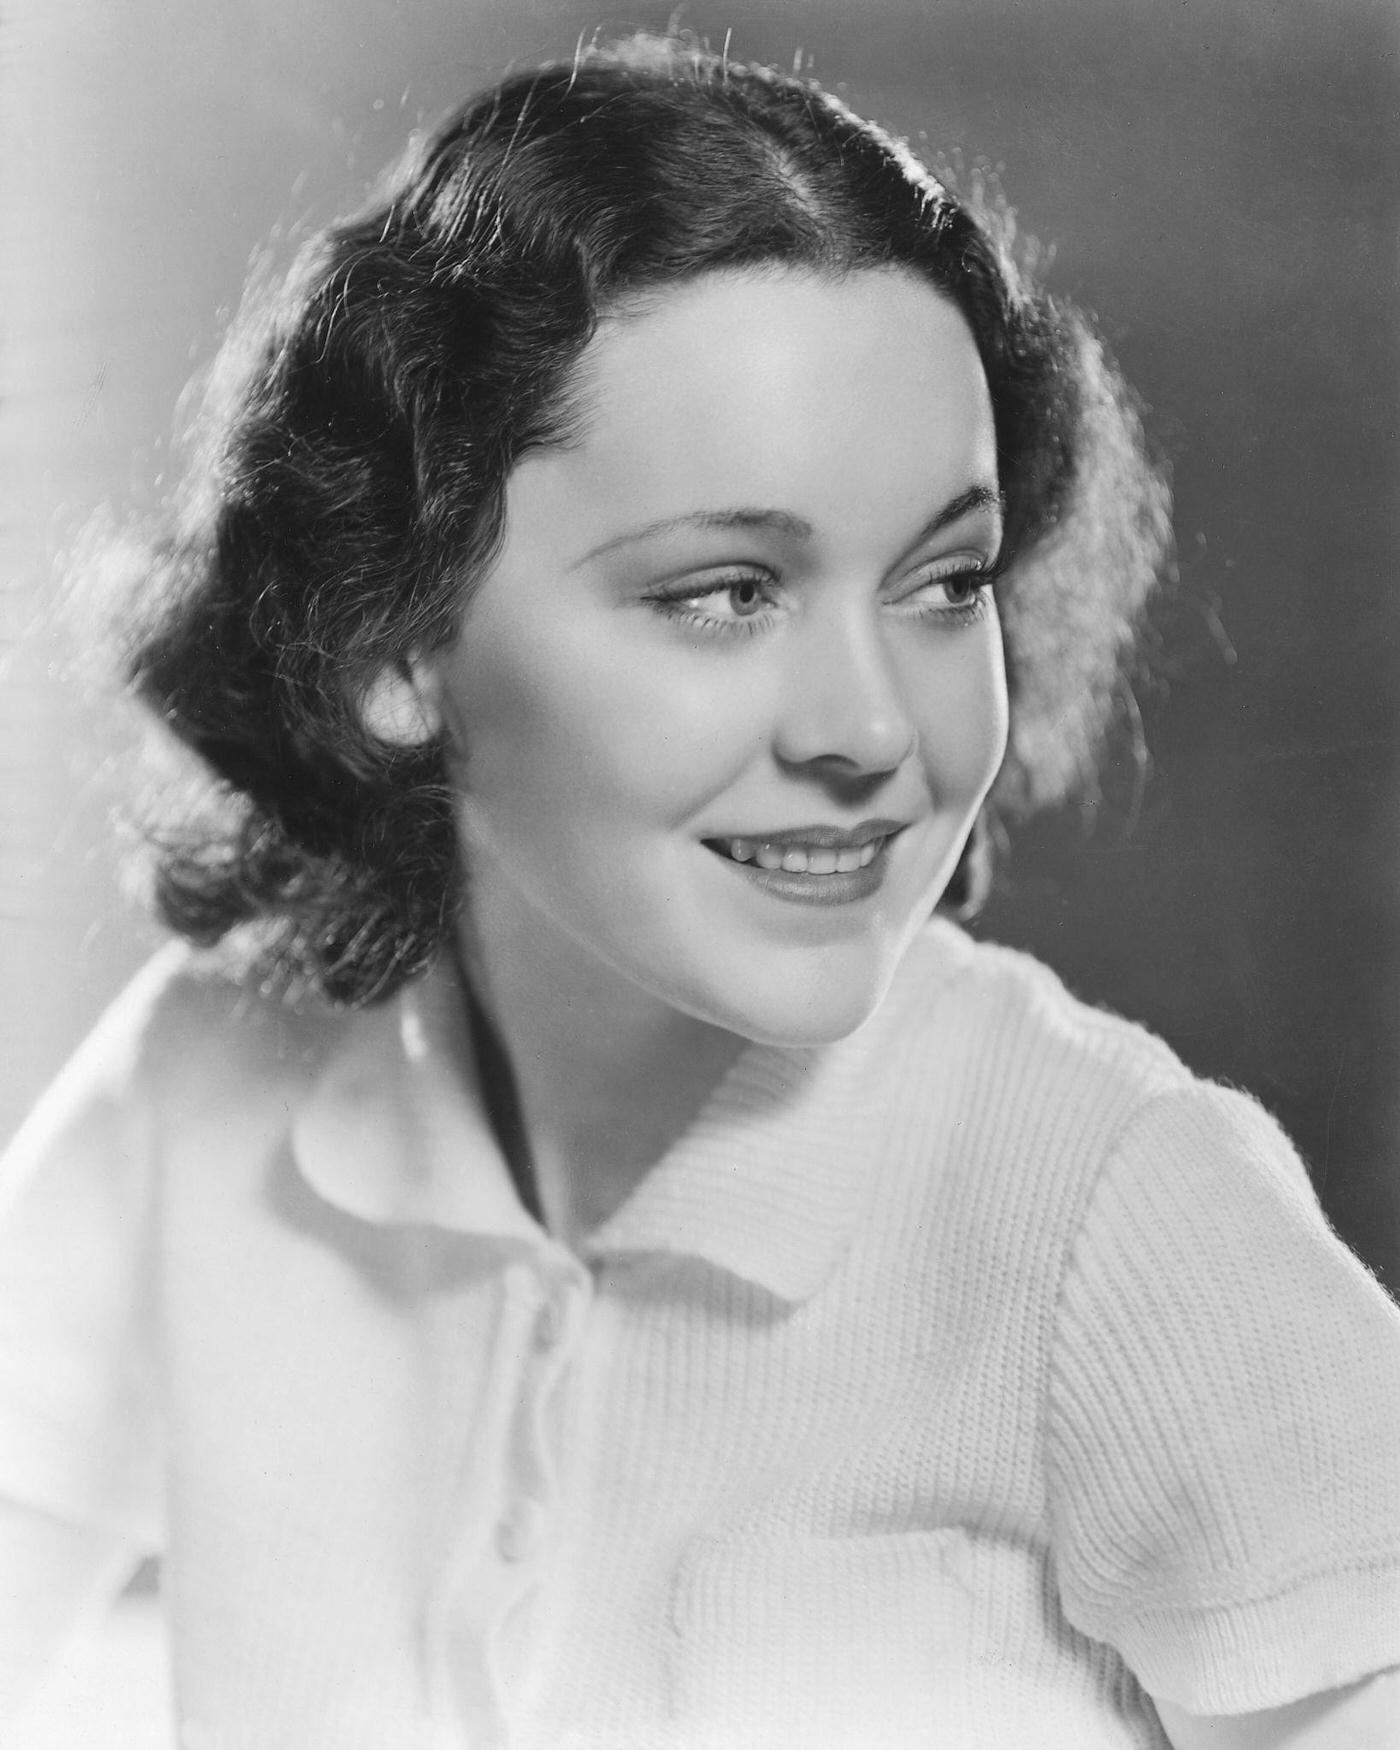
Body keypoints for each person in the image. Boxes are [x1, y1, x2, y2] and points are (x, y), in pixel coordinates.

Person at [1, 30, 1397, 1750]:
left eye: (943, 583)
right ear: (391, 638)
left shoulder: (1108, 1206)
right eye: (726, 592)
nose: (873, 727)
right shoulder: (194, 1108)